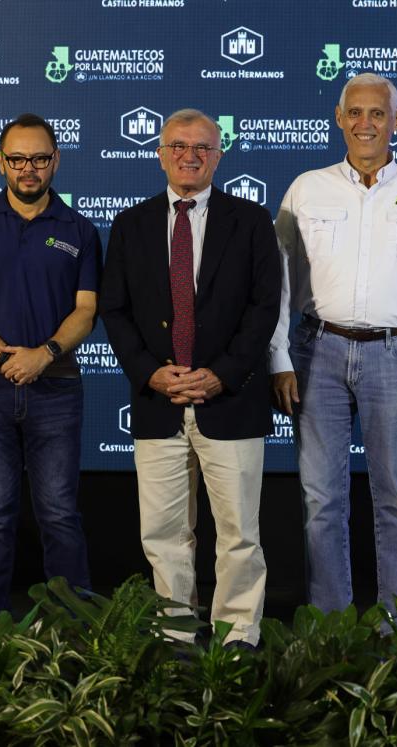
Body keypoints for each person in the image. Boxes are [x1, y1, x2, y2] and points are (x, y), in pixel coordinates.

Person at [270, 73, 397, 614]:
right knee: (321, 500)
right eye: (356, 112)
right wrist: (278, 358)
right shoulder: (306, 189)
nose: (366, 123)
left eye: (378, 113)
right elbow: (279, 283)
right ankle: (332, 624)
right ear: (338, 117)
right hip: (316, 351)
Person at [99, 109, 281, 648]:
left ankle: (237, 635)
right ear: (160, 153)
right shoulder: (131, 224)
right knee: (163, 533)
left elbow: (264, 308)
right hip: (157, 403)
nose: (190, 156)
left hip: (231, 402)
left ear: (219, 155)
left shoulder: (251, 222)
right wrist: (151, 373)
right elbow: (114, 310)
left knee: (239, 536)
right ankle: (177, 634)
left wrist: (220, 376)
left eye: (203, 147)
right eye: (178, 145)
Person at [0, 113, 99, 629]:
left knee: (58, 511)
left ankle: (71, 621)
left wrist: (43, 354)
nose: (28, 168)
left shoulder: (79, 230)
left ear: (56, 160)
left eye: (38, 158)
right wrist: (6, 355)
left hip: (57, 386)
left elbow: (86, 309)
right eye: (17, 158)